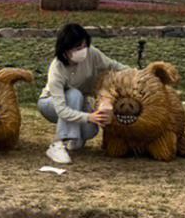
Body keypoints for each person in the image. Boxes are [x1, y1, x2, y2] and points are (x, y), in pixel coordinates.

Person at [38, 23, 130, 164]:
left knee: (90, 131)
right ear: (65, 50)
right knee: (74, 94)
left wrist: (138, 75)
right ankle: (58, 144)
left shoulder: (92, 54)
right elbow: (61, 110)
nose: (83, 51)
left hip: (78, 102)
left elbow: (114, 66)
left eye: (84, 46)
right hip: (51, 104)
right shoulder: (57, 69)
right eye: (77, 48)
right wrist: (89, 116)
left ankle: (74, 139)